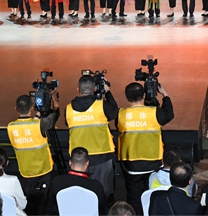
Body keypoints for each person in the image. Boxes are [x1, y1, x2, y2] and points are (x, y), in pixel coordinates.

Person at [117, 82, 174, 214]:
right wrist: (165, 95)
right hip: (153, 164)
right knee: (153, 197)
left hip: (131, 166)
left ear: (127, 98)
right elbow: (169, 114)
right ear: (144, 95)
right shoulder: (155, 112)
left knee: (134, 200)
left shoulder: (121, 115)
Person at [66, 74, 119, 199]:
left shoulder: (68, 109)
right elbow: (114, 111)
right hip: (102, 158)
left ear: (78, 89)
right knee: (104, 195)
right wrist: (107, 92)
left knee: (81, 196)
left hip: (79, 159)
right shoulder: (102, 106)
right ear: (95, 88)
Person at [7, 92, 60, 215]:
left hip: (25, 175)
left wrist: (37, 116)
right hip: (44, 172)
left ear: (16, 109)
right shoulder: (39, 125)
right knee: (44, 207)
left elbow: (26, 128)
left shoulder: (11, 127)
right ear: (31, 108)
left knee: (29, 207)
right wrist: (54, 99)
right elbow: (55, 115)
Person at [45, 148, 108, 215]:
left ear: (70, 162)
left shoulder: (57, 182)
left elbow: (49, 207)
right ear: (87, 163)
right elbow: (103, 209)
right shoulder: (96, 186)